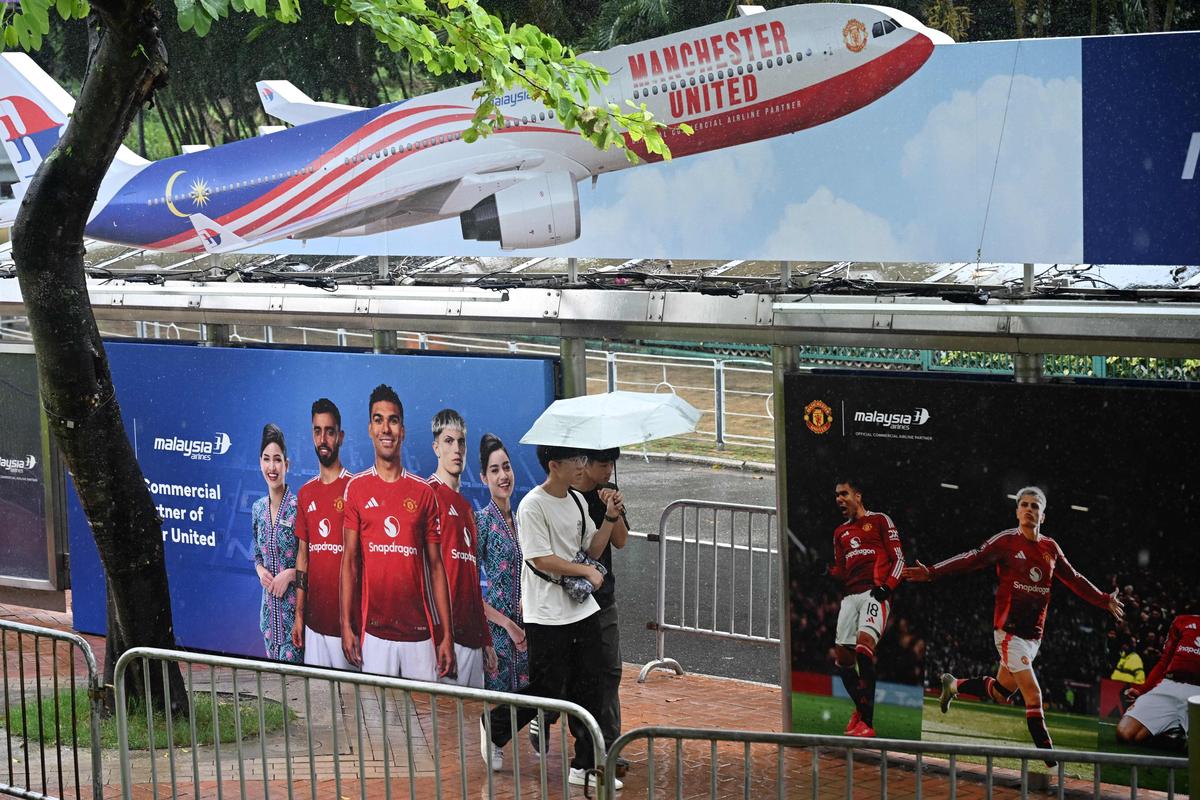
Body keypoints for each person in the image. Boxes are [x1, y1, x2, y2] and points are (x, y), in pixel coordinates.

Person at [903, 486, 1124, 764]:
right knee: (1034, 695)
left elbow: (1075, 578)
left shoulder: (1051, 548)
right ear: (1017, 511)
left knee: (1001, 693)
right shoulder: (1006, 541)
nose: (1029, 509)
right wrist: (933, 572)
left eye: (1035, 506)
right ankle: (1050, 760)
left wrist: (1104, 600)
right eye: (1025, 505)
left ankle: (954, 685)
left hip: (1034, 638)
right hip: (1009, 632)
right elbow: (972, 558)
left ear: (1043, 516)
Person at [478, 445, 623, 791]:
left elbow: (593, 548)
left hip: (581, 609)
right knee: (548, 688)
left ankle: (586, 765)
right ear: (554, 465)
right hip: (545, 615)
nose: (582, 467)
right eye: (576, 461)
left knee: (590, 686)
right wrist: (585, 572)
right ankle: (495, 725)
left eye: (584, 461)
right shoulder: (532, 506)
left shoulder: (575, 500)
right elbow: (540, 559)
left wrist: (610, 517)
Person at [339, 384, 456, 681]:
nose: (385, 428)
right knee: (377, 726)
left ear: (402, 430)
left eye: (392, 420)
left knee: (424, 724)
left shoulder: (423, 493)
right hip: (374, 634)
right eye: (378, 420)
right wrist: (345, 625)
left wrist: (446, 635)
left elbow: (436, 567)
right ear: (369, 429)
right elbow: (350, 562)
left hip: (421, 636)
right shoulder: (356, 489)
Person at [827, 479, 904, 738]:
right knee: (843, 661)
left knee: (863, 648)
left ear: (858, 496)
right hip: (850, 597)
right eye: (836, 495)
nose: (839, 499)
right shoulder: (839, 532)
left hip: (874, 592)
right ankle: (860, 709)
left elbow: (898, 558)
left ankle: (867, 724)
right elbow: (840, 569)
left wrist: (888, 587)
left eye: (844, 494)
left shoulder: (881, 520)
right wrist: (826, 570)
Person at [426, 409, 496, 687]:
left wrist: (485, 638)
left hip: (473, 639)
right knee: (441, 723)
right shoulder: (427, 494)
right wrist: (436, 634)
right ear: (436, 448)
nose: (456, 449)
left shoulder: (468, 508)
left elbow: (471, 579)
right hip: (444, 638)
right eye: (448, 441)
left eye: (461, 442)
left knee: (471, 724)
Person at [570, 448, 629, 770]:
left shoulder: (607, 497)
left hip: (604, 599)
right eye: (603, 464)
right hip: (574, 602)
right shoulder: (567, 497)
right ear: (586, 464)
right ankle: (582, 745)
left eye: (611, 464)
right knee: (578, 677)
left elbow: (621, 542)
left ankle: (610, 747)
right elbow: (586, 550)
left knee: (610, 673)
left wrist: (614, 510)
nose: (608, 471)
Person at [291, 398, 356, 669]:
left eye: (329, 431)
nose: (323, 438)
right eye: (317, 431)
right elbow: (303, 557)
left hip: (348, 626)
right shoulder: (306, 493)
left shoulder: (356, 488)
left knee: (354, 708)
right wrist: (298, 615)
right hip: (314, 626)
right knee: (317, 706)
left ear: (340, 436)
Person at [475, 434, 530, 695]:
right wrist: (507, 625)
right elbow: (470, 592)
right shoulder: (482, 522)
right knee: (499, 711)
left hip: (528, 626)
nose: (503, 476)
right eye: (494, 470)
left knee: (532, 704)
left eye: (506, 467)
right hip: (498, 631)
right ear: (484, 478)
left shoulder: (523, 520)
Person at [252, 423, 301, 663]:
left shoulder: (299, 509)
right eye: (267, 459)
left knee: (294, 692)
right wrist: (261, 572)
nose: (272, 467)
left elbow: (316, 567)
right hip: (268, 622)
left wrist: (290, 575)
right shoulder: (258, 509)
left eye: (278, 460)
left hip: (295, 624)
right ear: (260, 462)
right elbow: (257, 557)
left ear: (286, 465)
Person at [1116, 613, 1199, 752]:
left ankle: (1178, 734)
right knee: (1125, 733)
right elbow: (1164, 662)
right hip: (1170, 686)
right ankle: (1174, 736)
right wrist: (1142, 691)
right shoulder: (1182, 621)